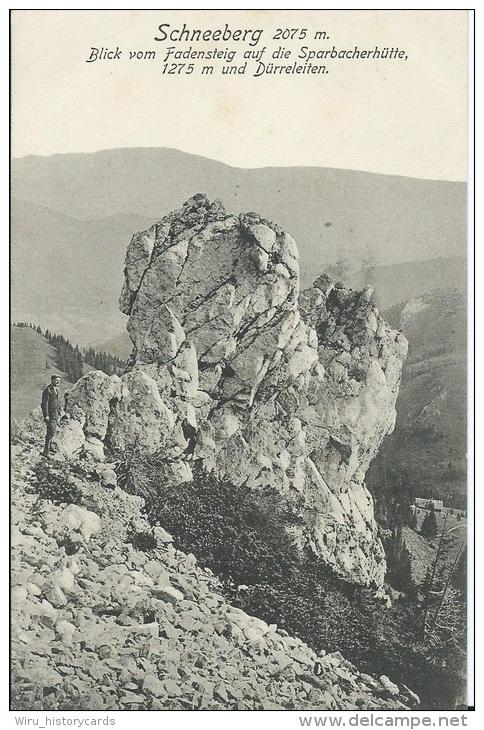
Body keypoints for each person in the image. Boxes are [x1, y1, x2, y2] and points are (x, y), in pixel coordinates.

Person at [41, 374, 62, 456]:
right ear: (52, 380)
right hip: (50, 415)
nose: (57, 382)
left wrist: (60, 411)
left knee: (53, 431)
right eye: (56, 380)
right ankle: (46, 451)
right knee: (49, 433)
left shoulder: (56, 389)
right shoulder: (47, 390)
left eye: (59, 381)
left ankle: (50, 447)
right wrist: (46, 415)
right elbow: (44, 404)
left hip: (56, 414)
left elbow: (57, 402)